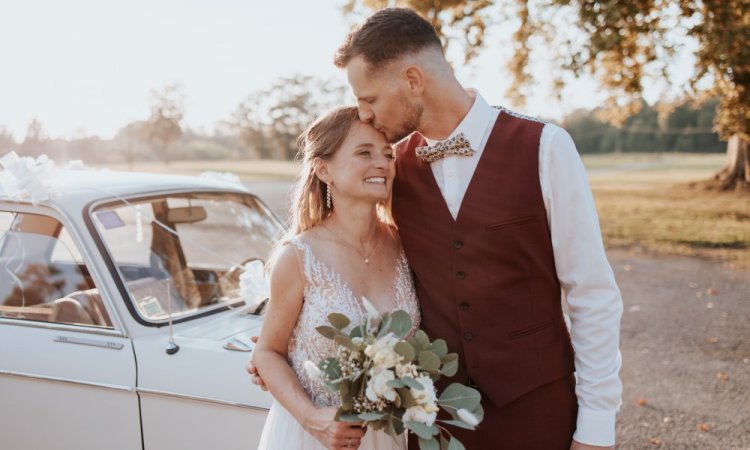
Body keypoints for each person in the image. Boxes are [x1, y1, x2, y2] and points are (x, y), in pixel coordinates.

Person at [251, 105, 420, 450]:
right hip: (315, 436)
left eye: (388, 154)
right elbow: (267, 352)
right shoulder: (298, 257)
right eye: (364, 152)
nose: (382, 163)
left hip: (388, 436)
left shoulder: (406, 245)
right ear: (323, 169)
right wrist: (314, 419)